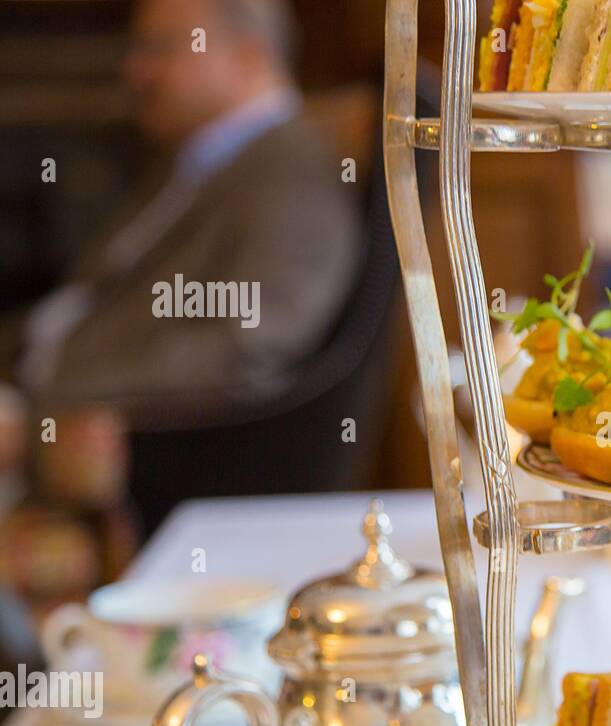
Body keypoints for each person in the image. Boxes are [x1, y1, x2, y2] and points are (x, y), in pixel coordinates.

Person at [0, 0, 360, 423]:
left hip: (102, 436)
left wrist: (42, 412)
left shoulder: (294, 170)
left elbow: (246, 347)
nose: (134, 72)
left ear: (247, 56)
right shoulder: (195, 158)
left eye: (159, 48)